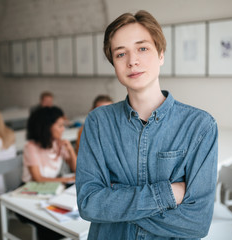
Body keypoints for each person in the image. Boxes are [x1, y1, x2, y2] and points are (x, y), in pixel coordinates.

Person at [76, 10, 218, 240]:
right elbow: (89, 204)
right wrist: (169, 194)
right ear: (114, 63)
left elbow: (197, 223)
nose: (132, 60)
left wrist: (115, 200)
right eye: (121, 54)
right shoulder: (98, 123)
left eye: (142, 48)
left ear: (161, 54)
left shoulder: (200, 126)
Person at [20, 106, 77, 239]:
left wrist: (70, 150)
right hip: (31, 191)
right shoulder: (31, 147)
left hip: (52, 189)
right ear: (47, 127)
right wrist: (66, 180)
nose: (63, 129)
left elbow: (76, 169)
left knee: (67, 217)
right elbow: (38, 178)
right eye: (60, 126)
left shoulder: (57, 143)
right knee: (50, 224)